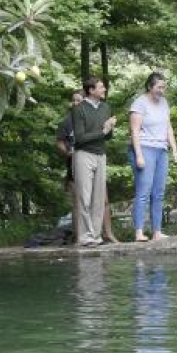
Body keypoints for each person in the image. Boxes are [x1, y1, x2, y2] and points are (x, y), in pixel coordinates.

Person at [55, 90, 117, 243]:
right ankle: (80, 236)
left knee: (103, 199)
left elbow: (105, 135)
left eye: (78, 100)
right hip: (75, 162)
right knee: (80, 200)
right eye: (73, 100)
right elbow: (59, 142)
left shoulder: (94, 115)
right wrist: (68, 153)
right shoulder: (67, 121)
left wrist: (107, 129)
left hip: (96, 157)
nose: (75, 103)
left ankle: (106, 234)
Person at [129, 72, 177, 242]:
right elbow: (134, 131)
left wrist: (174, 150)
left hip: (161, 149)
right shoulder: (139, 103)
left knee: (158, 193)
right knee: (143, 191)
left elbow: (168, 127)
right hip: (144, 148)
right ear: (150, 87)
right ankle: (139, 232)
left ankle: (157, 232)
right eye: (159, 87)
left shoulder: (164, 102)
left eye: (164, 87)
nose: (162, 90)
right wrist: (139, 155)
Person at [72, 77, 117, 247]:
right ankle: (85, 237)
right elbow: (80, 137)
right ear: (91, 90)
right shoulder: (79, 109)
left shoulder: (106, 107)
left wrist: (110, 127)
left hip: (101, 154)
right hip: (83, 154)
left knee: (99, 198)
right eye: (100, 87)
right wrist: (103, 130)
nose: (104, 89)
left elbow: (107, 135)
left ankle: (96, 236)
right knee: (84, 196)